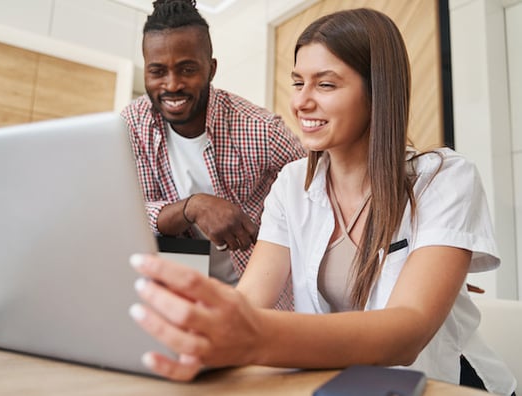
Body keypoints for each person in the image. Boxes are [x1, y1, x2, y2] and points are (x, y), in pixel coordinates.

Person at [126, 7, 517, 396]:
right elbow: (250, 302)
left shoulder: (444, 178)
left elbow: (408, 332)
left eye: (325, 85)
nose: (302, 103)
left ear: (378, 89)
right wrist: (207, 328)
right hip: (343, 384)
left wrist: (252, 334)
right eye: (298, 83)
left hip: (444, 384)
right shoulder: (292, 185)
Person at [121, 0, 305, 295]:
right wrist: (192, 207)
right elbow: (125, 215)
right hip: (179, 295)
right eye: (157, 71)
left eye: (187, 69)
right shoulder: (132, 125)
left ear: (211, 69)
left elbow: (319, 188)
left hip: (260, 300)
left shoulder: (260, 129)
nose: (172, 85)